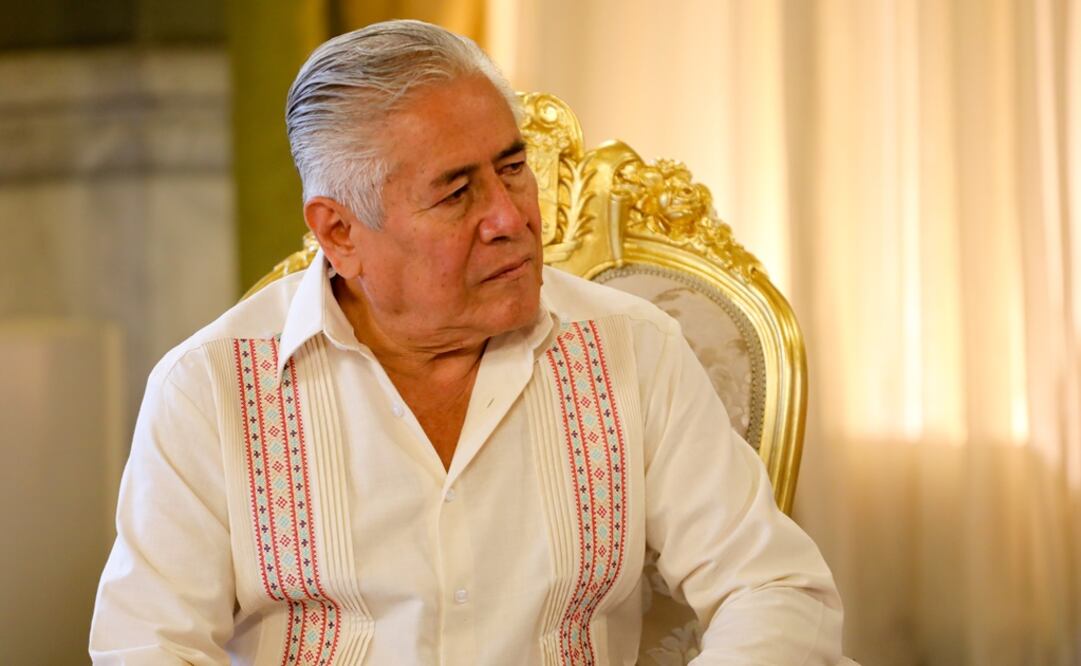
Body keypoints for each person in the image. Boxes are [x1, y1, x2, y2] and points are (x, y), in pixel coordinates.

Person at [90, 19, 844, 665]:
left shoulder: (631, 349)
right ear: (339, 232)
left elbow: (771, 586)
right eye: (456, 192)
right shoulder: (208, 388)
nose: (511, 217)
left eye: (511, 168)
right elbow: (149, 645)